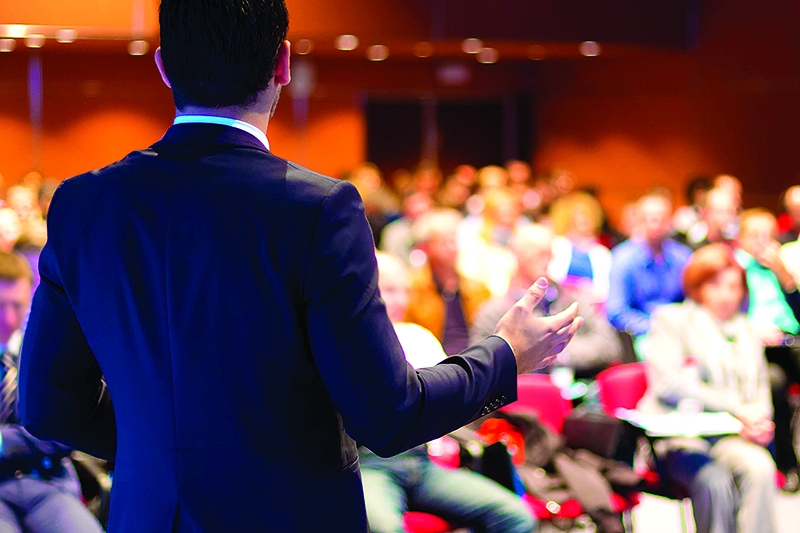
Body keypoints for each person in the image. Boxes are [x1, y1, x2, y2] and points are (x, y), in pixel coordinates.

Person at [17, 2, 582, 532]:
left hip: (146, 514)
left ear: (164, 67)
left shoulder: (83, 204)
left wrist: (165, 449)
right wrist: (505, 356)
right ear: (283, 62)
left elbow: (46, 409)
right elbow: (388, 416)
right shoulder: (316, 210)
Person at [360, 253, 536, 533]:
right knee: (386, 529)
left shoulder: (418, 336)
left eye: (405, 291)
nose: (402, 301)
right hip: (372, 465)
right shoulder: (351, 345)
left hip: (421, 462)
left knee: (516, 516)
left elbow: (452, 398)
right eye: (390, 290)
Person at [638, 244, 777, 533]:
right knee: (714, 479)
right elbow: (669, 384)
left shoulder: (746, 329)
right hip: (681, 435)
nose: (725, 295)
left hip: (731, 434)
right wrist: (736, 408)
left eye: (733, 287)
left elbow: (760, 387)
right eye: (715, 285)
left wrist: (760, 421)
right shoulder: (672, 320)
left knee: (760, 467)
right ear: (697, 286)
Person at [0, 252, 104, 533]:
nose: (8, 318)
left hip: (48, 482)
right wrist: (29, 437)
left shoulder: (45, 353)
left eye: (17, 305)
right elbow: (46, 429)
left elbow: (62, 435)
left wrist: (2, 441)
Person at [471, 224, 621, 379]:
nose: (549, 260)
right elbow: (482, 364)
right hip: (522, 390)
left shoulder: (573, 300)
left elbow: (609, 346)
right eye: (541, 254)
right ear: (519, 256)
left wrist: (558, 352)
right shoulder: (495, 310)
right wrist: (530, 355)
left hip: (579, 385)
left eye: (551, 254)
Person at [735, 208, 800, 490]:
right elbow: (726, 317)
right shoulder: (733, 268)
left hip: (791, 343)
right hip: (754, 350)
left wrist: (786, 279)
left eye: (769, 236)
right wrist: (753, 331)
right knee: (775, 384)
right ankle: (787, 463)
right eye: (755, 236)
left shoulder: (782, 267)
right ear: (740, 239)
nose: (763, 243)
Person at [406, 208, 492, 355]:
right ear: (426, 248)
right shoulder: (413, 288)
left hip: (473, 359)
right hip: (433, 360)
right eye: (444, 242)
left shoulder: (478, 288)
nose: (452, 248)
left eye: (454, 241)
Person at [607, 191, 692, 340]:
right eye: (650, 219)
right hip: (641, 335)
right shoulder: (623, 258)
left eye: (662, 219)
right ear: (638, 221)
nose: (656, 224)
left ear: (670, 221)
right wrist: (653, 328)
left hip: (680, 331)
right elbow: (616, 311)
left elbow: (693, 301)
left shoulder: (683, 256)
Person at [547, 192, 612, 305]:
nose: (582, 219)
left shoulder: (602, 253)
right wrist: (574, 286)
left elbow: (605, 289)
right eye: (577, 215)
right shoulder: (556, 245)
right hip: (558, 302)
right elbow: (550, 276)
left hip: (591, 305)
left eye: (586, 215)